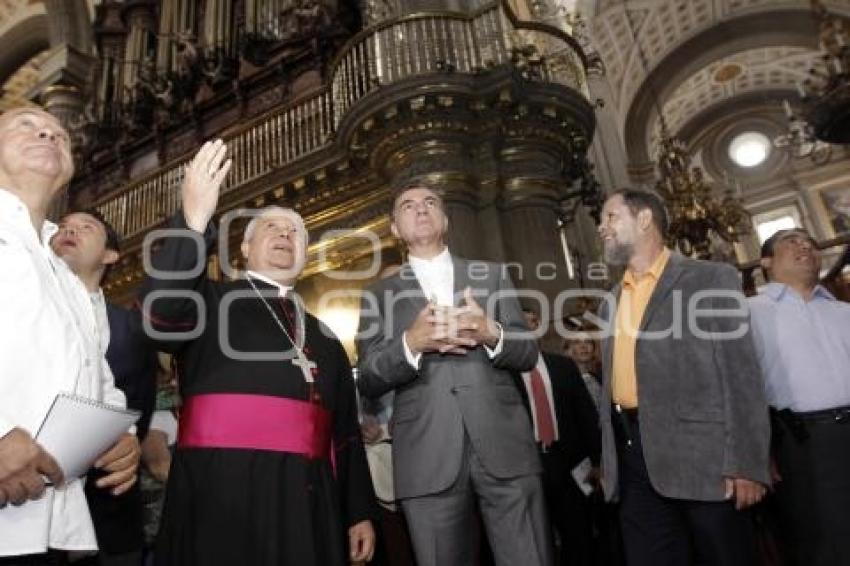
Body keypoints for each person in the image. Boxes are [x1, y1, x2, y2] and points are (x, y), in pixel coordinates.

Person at [138, 139, 376, 566]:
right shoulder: (209, 299)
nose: (286, 234)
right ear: (245, 250)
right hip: (221, 487)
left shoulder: (324, 337)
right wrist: (192, 222)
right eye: (272, 228)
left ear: (305, 255)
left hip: (309, 496)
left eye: (296, 233)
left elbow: (346, 434)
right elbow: (159, 317)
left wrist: (358, 511)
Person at [356, 183, 552, 566]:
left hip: (504, 444)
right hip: (426, 453)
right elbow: (368, 376)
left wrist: (490, 332)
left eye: (430, 202)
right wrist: (410, 343)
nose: (421, 209)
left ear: (445, 220)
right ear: (395, 228)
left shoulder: (491, 275)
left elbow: (527, 352)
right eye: (408, 205)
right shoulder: (377, 294)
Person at [594, 188, 769, 566]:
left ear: (644, 220)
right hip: (632, 459)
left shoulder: (709, 278)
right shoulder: (610, 298)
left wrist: (747, 463)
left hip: (704, 460)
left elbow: (741, 376)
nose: (600, 228)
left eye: (610, 217)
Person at [0, 106, 139, 561]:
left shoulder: (63, 274)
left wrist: (120, 438)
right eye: (26, 124)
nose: (49, 132)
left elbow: (95, 375)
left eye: (61, 134)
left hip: (52, 524)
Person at [52, 209, 157, 566]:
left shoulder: (133, 328)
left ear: (110, 255)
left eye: (85, 227)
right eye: (63, 226)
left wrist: (129, 443)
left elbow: (139, 407)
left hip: (111, 513)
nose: (70, 230)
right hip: (28, 501)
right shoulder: (23, 306)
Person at [749, 228, 850, 566]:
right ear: (766, 261)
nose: (805, 245)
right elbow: (742, 387)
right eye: (791, 241)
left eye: (810, 242)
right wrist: (757, 451)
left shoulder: (843, 311)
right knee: (821, 544)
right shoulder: (748, 313)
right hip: (802, 443)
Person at [516, 309, 600, 566]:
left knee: (579, 538)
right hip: (527, 468)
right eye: (520, 324)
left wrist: (597, 462)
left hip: (570, 466)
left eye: (532, 323)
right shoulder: (504, 375)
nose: (528, 329)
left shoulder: (563, 366)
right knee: (536, 541)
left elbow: (586, 416)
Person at [564, 331, 603, 408]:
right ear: (567, 350)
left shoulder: (600, 379)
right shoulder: (563, 382)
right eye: (577, 342)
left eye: (588, 342)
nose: (583, 346)